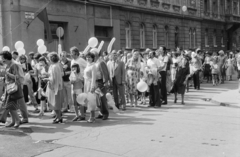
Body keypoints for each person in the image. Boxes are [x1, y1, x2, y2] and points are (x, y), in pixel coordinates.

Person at [0, 51, 24, 128]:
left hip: (13, 88)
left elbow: (17, 77)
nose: (1, 59)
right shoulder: (8, 65)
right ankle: (13, 121)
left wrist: (6, 73)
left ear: (5, 58)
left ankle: (17, 120)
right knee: (9, 106)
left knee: (11, 106)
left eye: (2, 57)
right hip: (9, 88)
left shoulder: (14, 65)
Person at [44, 52, 63, 124]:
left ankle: (59, 117)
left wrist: (47, 79)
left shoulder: (55, 66)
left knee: (56, 102)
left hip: (55, 87)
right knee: (53, 102)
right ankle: (57, 116)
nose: (48, 60)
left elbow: (55, 78)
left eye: (49, 58)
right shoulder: (52, 66)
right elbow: (51, 75)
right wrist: (47, 74)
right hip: (52, 86)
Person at [92, 49, 111, 120]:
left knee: (102, 98)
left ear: (96, 54)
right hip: (96, 82)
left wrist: (105, 82)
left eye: (92, 53)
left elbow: (105, 73)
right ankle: (101, 112)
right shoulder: (95, 62)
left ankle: (105, 113)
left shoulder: (101, 62)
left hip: (101, 82)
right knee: (98, 99)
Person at [84, 52, 97, 123]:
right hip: (86, 84)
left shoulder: (93, 66)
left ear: (93, 58)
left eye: (89, 57)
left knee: (91, 100)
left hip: (90, 84)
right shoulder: (87, 65)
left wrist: (92, 86)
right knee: (88, 101)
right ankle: (91, 116)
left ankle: (92, 117)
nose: (88, 58)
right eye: (87, 57)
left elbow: (93, 77)